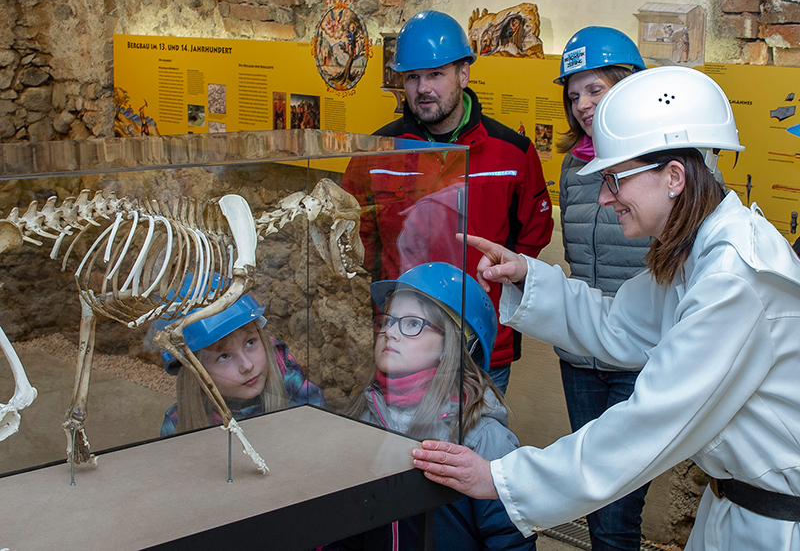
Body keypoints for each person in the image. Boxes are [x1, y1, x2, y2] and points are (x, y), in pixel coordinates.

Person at [411, 66, 800, 551]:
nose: (603, 197)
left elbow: (650, 421)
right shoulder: (700, 254)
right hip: (732, 514)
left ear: (674, 177)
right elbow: (618, 324)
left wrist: (506, 479)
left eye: (615, 179)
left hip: (773, 528)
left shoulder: (732, 279)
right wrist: (528, 276)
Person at [341, 10, 553, 394]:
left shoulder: (513, 153)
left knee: (479, 445)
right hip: (405, 339)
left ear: (464, 74)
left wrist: (499, 305)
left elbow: (530, 242)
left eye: (436, 74)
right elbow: (358, 247)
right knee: (406, 451)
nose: (423, 88)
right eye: (412, 76)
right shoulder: (376, 154)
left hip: (481, 342)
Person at [331, 261, 536, 551]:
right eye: (387, 320)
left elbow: (510, 540)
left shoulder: (480, 436)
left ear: (452, 344)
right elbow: (345, 528)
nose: (390, 332)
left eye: (413, 324)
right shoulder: (365, 415)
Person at [553, 26, 651, 551]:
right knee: (589, 500)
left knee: (617, 513)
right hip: (581, 355)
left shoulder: (664, 163)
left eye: (596, 90)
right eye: (574, 96)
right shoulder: (573, 165)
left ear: (628, 85)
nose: (584, 105)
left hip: (639, 356)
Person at [156, 284, 325, 436]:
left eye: (250, 342)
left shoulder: (295, 389)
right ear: (194, 371)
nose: (247, 365)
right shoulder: (177, 425)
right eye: (224, 356)